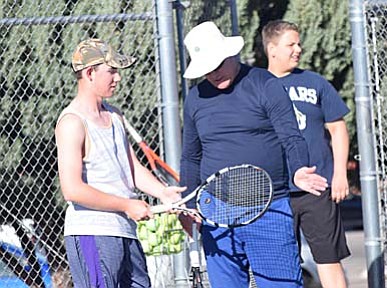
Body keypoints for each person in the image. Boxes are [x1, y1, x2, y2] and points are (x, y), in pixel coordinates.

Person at [179, 21, 328, 288]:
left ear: (231, 54)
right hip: (216, 210)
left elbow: (291, 135)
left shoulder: (264, 84)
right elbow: (190, 156)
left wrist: (298, 170)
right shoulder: (195, 99)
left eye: (217, 64)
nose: (213, 73)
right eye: (206, 68)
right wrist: (187, 204)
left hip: (269, 207)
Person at [55, 38, 185, 288]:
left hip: (125, 231)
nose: (118, 78)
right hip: (93, 232)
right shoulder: (72, 122)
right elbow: (72, 189)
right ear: (90, 73)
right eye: (112, 71)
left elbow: (131, 167)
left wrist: (163, 192)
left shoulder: (115, 115)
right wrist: (127, 205)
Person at [262, 20, 351, 288]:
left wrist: (339, 174)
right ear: (272, 48)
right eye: (291, 44)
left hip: (318, 186)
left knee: (328, 259)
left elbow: (337, 129)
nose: (298, 49)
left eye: (298, 43)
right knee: (279, 263)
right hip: (276, 191)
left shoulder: (314, 82)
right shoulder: (256, 85)